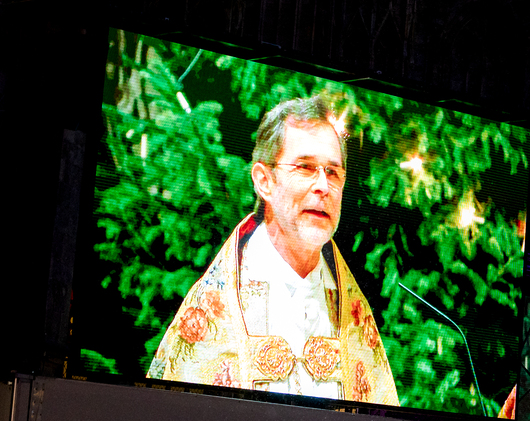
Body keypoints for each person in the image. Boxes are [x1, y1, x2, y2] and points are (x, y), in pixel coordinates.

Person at [148, 94, 398, 405]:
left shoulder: (354, 319)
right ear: (264, 181)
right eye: (305, 167)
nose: (323, 186)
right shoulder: (214, 314)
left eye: (333, 172)